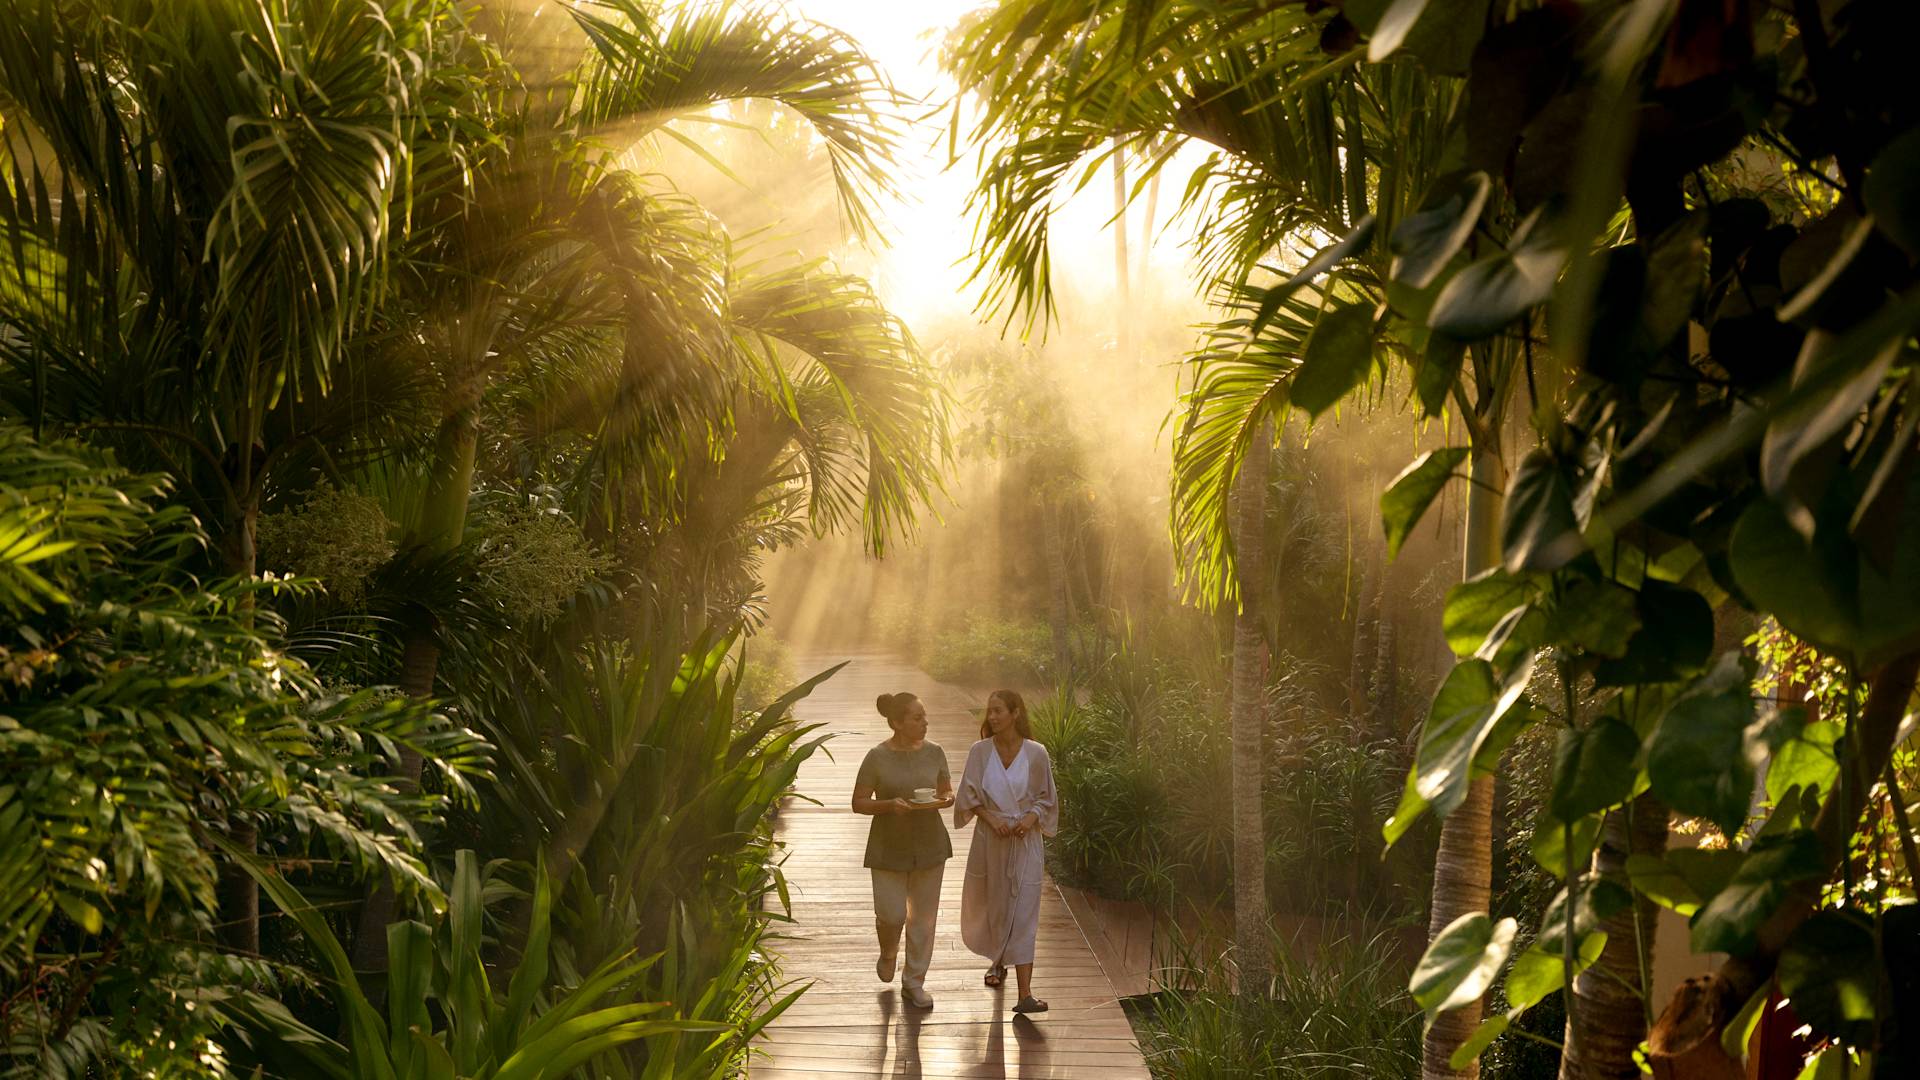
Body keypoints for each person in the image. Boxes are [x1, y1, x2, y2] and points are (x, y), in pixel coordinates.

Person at [954, 689, 1057, 1014]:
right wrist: (991, 819)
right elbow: (969, 796)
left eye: (998, 711)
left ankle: (1025, 994)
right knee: (996, 905)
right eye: (990, 711)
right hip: (991, 841)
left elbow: (1046, 797)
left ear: (1016, 713)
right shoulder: (980, 752)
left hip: (1025, 843)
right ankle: (997, 962)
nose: (992, 717)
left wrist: (1029, 818)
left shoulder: (1036, 753)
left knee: (1025, 910)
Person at [852, 691, 953, 1009]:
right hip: (888, 847)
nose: (925, 722)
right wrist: (887, 805)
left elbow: (945, 790)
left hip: (930, 845)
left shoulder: (936, 752)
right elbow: (859, 802)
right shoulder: (876, 756)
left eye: (925, 716)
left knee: (922, 920)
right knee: (892, 914)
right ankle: (888, 952)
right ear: (897, 722)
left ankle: (914, 982)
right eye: (917, 717)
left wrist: (946, 799)